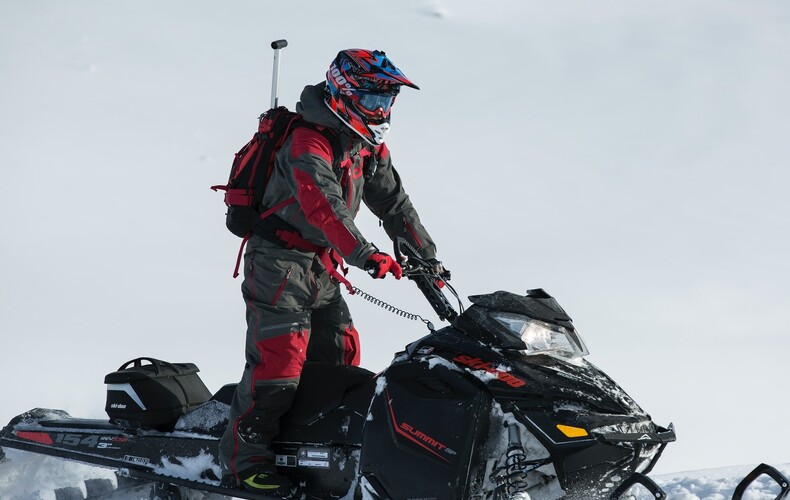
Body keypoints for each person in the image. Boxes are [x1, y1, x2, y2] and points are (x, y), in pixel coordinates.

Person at [218, 49, 447, 496]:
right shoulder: (309, 141)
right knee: (278, 367)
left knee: (338, 359)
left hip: (322, 264)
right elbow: (323, 207)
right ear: (343, 92)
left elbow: (394, 205)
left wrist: (427, 259)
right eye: (373, 99)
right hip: (278, 263)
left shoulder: (365, 144)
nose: (381, 110)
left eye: (387, 102)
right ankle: (243, 463)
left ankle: (310, 452)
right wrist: (366, 254)